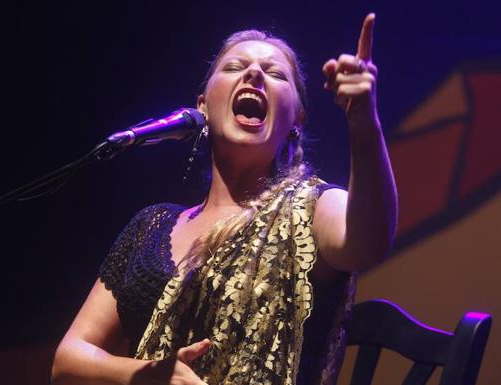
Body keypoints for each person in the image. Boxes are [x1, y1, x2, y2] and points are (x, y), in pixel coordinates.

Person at [52, 13, 397, 385]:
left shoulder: (312, 208)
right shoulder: (151, 226)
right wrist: (147, 374)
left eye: (276, 74)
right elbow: (68, 362)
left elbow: (368, 241)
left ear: (297, 118)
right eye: (234, 67)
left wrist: (364, 123)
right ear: (202, 105)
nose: (254, 75)